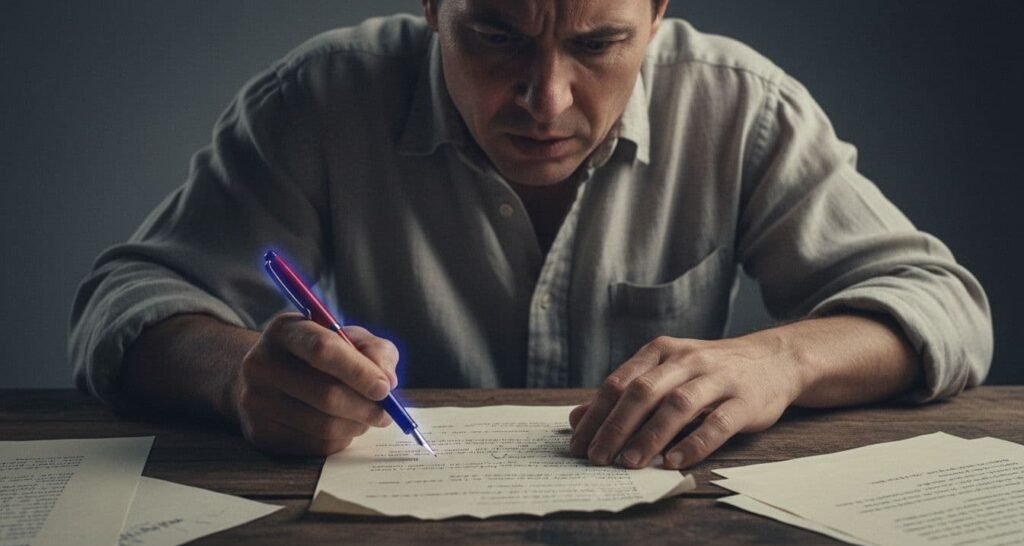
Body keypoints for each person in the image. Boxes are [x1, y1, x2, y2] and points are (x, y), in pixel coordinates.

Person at [70, 0, 992, 470]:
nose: (546, 101)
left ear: (658, 13)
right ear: (433, 6)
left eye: (598, 44)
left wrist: (780, 361)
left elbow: (943, 305)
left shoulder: (742, 106)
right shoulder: (323, 96)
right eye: (496, 36)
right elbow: (130, 300)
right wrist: (238, 376)